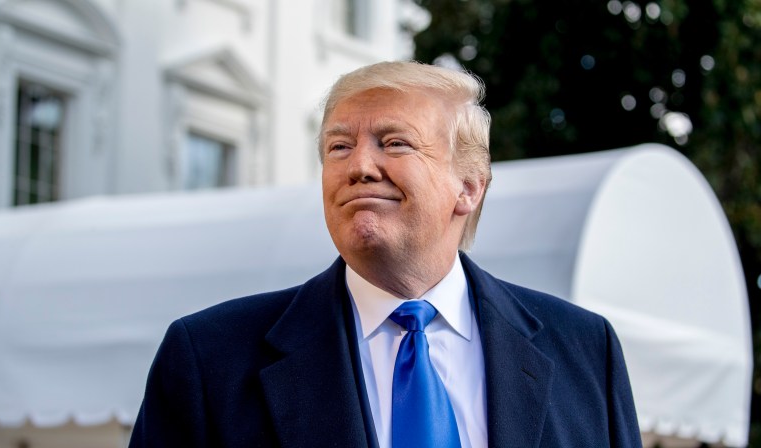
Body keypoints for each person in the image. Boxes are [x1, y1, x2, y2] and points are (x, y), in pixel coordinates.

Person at [129, 61, 642, 448]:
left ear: (468, 187)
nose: (360, 166)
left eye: (393, 143)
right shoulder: (209, 358)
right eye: (338, 147)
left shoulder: (584, 350)